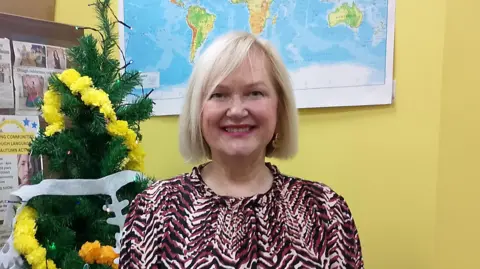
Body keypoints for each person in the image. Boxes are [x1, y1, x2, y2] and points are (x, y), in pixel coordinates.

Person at [120, 31, 364, 268]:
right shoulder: (153, 211)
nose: (236, 111)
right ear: (198, 109)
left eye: (255, 93)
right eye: (219, 94)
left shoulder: (326, 211)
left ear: (279, 108)